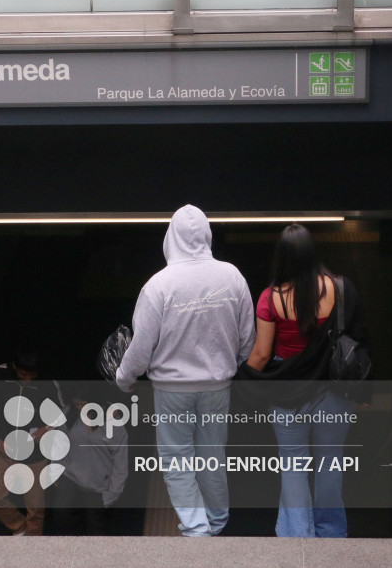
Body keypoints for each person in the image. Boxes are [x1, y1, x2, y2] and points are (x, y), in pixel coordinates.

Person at [115, 204, 256, 537]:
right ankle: (217, 522)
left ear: (171, 238)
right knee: (212, 459)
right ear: (207, 234)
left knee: (177, 463)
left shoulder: (158, 285)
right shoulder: (232, 276)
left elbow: (141, 346)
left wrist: (125, 378)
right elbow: (247, 339)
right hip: (218, 388)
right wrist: (228, 366)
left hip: (172, 392)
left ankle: (196, 530)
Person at [243, 223, 369, 538]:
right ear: (313, 253)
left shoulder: (270, 298)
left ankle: (298, 535)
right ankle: (331, 532)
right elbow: (359, 340)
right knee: (330, 462)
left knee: (293, 465)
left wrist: (237, 381)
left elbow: (260, 354)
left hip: (286, 391)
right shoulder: (341, 289)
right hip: (333, 388)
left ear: (281, 258)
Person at [0, 348, 64, 536]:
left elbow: (61, 410)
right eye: (23, 374)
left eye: (32, 375)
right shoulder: (0, 373)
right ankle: (19, 527)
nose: (27, 378)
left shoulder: (49, 381)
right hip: (4, 449)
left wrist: (47, 428)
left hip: (34, 456)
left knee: (35, 508)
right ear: (14, 367)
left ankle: (33, 545)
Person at [52, 385, 128, 535]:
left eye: (83, 404)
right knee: (60, 515)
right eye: (77, 404)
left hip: (99, 483)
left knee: (95, 527)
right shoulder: (69, 413)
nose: (80, 408)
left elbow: (121, 462)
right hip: (71, 474)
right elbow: (59, 442)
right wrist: (55, 467)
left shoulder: (113, 422)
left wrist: (112, 493)